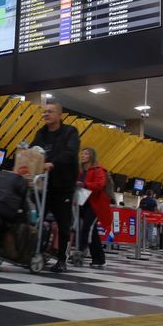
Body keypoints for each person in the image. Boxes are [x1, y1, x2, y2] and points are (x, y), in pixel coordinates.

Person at [31, 99, 80, 273]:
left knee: (63, 222)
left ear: (59, 115)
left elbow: (70, 153)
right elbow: (33, 151)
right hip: (44, 185)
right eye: (44, 111)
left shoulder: (70, 132)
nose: (46, 114)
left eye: (50, 111)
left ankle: (61, 259)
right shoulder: (40, 133)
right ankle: (38, 251)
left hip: (63, 185)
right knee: (39, 219)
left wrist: (53, 163)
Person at [76, 147, 112, 268]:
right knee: (92, 231)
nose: (83, 155)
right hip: (83, 203)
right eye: (82, 153)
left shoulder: (98, 170)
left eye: (86, 153)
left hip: (95, 205)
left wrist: (85, 184)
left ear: (91, 156)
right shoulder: (80, 171)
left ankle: (81, 252)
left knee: (87, 228)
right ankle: (99, 259)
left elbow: (100, 185)